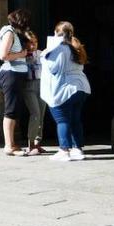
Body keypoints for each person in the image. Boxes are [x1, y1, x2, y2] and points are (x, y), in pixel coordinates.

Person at [42, 21, 92, 162]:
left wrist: (45, 55)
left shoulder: (59, 49)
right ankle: (78, 149)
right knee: (75, 119)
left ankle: (64, 150)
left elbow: (53, 68)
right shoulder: (75, 47)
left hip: (65, 88)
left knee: (62, 120)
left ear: (56, 33)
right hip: (81, 87)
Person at [0, 9, 33, 156]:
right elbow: (3, 55)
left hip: (16, 74)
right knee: (11, 109)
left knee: (15, 109)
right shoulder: (9, 32)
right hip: (11, 74)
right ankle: (9, 145)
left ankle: (12, 144)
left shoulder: (12, 32)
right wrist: (22, 54)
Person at [22, 32, 48, 156]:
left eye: (35, 42)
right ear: (25, 43)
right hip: (29, 85)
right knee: (35, 113)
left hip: (42, 85)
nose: (33, 45)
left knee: (41, 114)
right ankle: (30, 143)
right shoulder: (22, 55)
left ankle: (38, 142)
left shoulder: (41, 54)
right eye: (30, 42)